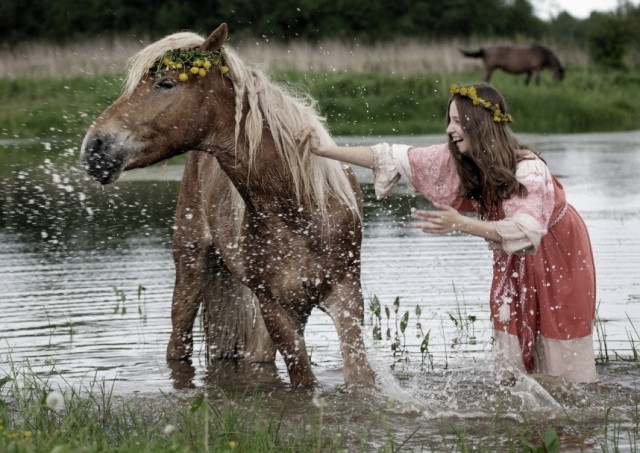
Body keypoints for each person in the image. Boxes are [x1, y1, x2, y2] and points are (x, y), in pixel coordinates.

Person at [297, 83, 597, 383]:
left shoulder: (528, 170)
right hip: (511, 250)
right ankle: (519, 393)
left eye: (458, 122)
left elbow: (527, 232)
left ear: (478, 126)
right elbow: (391, 157)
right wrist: (325, 150)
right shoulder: (459, 158)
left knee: (558, 335)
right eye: (449, 120)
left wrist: (460, 223)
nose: (450, 130)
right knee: (510, 327)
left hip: (557, 248)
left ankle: (569, 401)